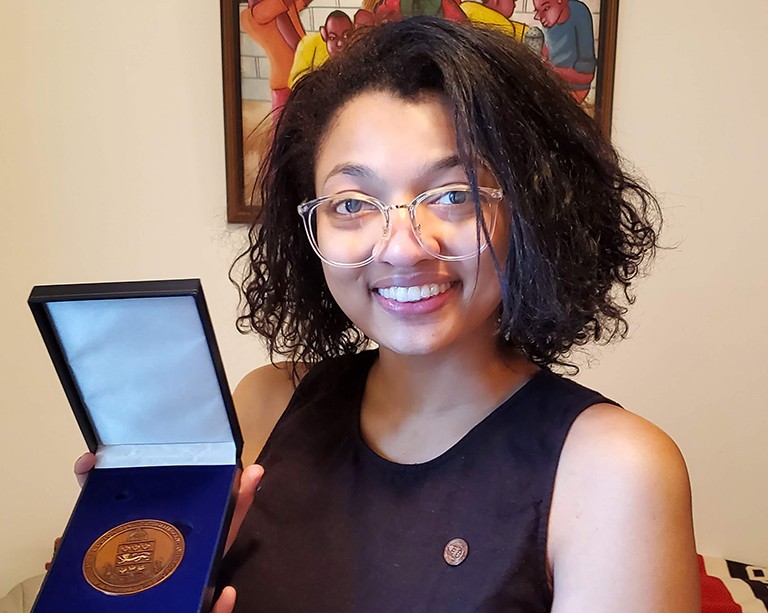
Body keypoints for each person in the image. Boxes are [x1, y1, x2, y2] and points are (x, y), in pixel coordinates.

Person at [83, 17, 698, 613]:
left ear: (530, 212)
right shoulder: (266, 404)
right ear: (309, 227)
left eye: (454, 196)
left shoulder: (616, 470)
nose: (402, 246)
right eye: (352, 203)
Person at [532, 0, 596, 103]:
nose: (538, 17)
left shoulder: (579, 13)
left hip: (573, 88)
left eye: (546, 8)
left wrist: (552, 71)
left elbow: (586, 76)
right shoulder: (548, 24)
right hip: (553, 84)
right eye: (537, 11)